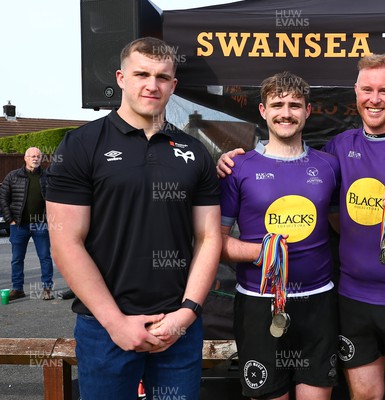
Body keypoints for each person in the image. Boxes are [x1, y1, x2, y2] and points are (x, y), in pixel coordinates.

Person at [218, 54, 385, 400]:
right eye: (367, 89)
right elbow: (333, 218)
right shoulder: (337, 149)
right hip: (349, 300)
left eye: (384, 90)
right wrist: (228, 160)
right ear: (355, 92)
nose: (374, 98)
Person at [45, 37, 221, 399]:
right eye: (142, 74)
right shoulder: (81, 145)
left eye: (162, 77)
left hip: (177, 329)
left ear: (174, 85)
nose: (151, 85)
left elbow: (208, 237)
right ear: (122, 78)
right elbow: (65, 241)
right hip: (105, 329)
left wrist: (185, 314)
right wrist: (115, 323)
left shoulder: (194, 151)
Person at [220, 71, 340, 400]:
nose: (285, 112)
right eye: (277, 104)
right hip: (260, 305)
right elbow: (214, 244)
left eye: (294, 105)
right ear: (262, 111)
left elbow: (343, 227)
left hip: (319, 302)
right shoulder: (237, 168)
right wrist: (266, 252)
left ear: (308, 111)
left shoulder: (329, 165)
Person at [0, 146, 54, 301]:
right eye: (32, 156)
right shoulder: (13, 176)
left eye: (38, 156)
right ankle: (18, 289)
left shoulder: (47, 176)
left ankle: (47, 289)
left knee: (45, 257)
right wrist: (10, 219)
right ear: (25, 158)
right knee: (17, 258)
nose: (35, 158)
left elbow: (55, 198)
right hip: (19, 225)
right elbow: (3, 198)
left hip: (40, 224)